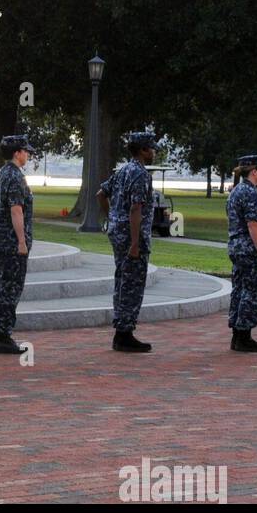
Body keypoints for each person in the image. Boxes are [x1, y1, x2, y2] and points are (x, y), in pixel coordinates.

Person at [96, 132, 156, 352]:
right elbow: (135, 208)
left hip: (117, 234)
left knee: (122, 280)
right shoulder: (140, 174)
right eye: (151, 148)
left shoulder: (122, 171)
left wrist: (112, 217)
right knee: (132, 284)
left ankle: (122, 331)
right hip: (132, 238)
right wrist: (134, 243)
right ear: (142, 150)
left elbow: (100, 194)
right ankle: (124, 334)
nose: (154, 152)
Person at [0, 135, 34, 354]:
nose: (27, 154)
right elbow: (16, 210)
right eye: (25, 151)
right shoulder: (15, 177)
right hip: (11, 241)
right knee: (10, 287)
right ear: (17, 153)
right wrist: (22, 241)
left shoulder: (0, 175)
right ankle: (3, 335)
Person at [226, 155, 257, 352]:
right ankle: (244, 335)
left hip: (238, 247)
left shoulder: (237, 191)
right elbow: (253, 224)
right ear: (254, 170)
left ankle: (238, 336)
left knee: (240, 289)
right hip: (249, 249)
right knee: (253, 291)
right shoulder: (250, 193)